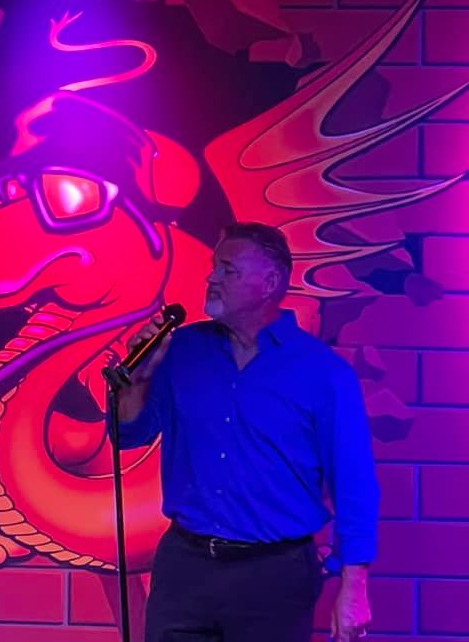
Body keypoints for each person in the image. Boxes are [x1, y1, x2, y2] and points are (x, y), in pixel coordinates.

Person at [116, 221, 379, 642]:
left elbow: (354, 483)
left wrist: (355, 587)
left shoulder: (323, 372)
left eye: (228, 269)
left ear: (269, 283)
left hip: (273, 574)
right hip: (186, 567)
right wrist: (139, 379)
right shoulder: (181, 350)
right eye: (214, 267)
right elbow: (129, 436)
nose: (212, 278)